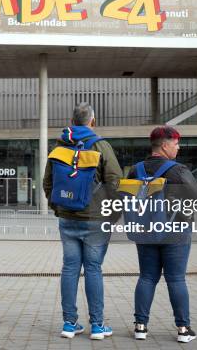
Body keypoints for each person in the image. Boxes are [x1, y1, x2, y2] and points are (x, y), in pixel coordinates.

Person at [43, 102, 122, 340]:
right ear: (92, 121)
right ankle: (97, 326)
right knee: (93, 269)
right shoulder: (101, 145)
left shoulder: (58, 147)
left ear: (73, 120)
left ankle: (69, 324)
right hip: (96, 219)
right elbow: (115, 182)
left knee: (69, 269)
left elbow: (48, 183)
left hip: (67, 218)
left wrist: (58, 208)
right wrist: (112, 214)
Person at [127, 126, 197, 343]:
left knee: (147, 277)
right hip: (176, 232)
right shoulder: (178, 170)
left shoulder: (135, 170)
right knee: (176, 279)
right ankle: (183, 329)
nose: (178, 147)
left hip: (145, 231)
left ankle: (140, 327)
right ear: (164, 145)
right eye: (176, 143)